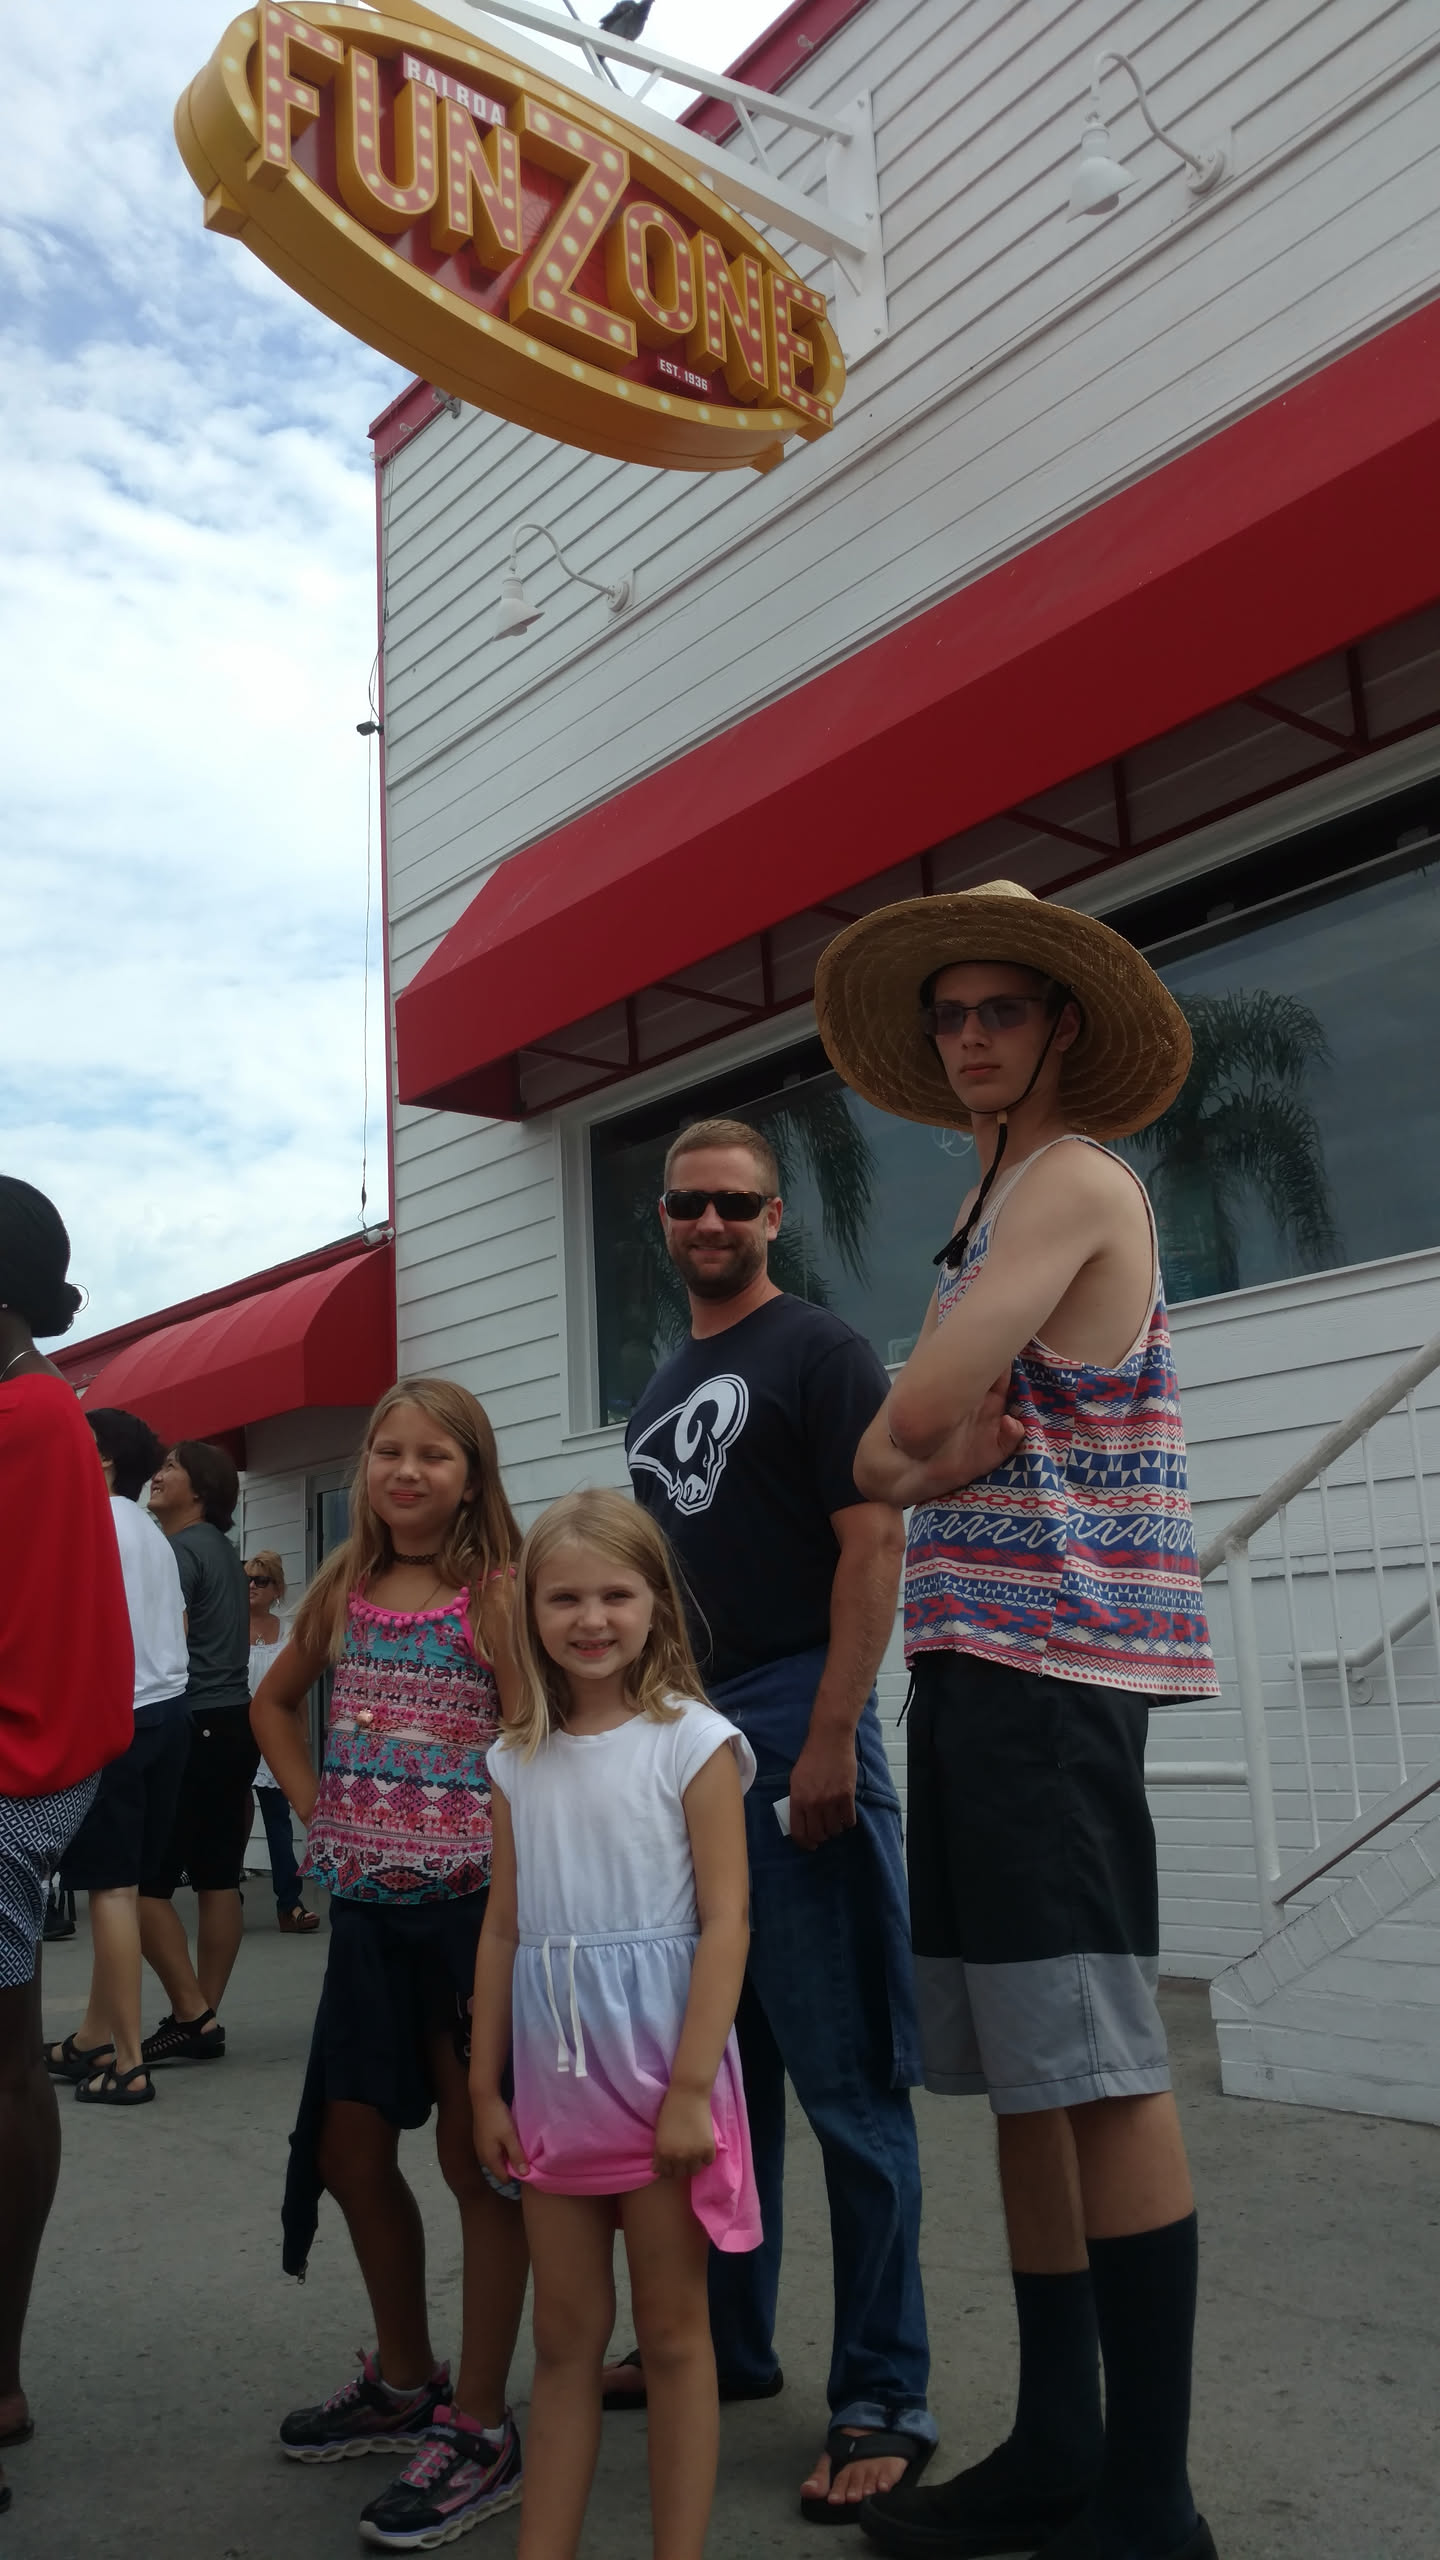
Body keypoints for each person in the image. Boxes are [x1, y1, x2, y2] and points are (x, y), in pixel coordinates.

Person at [813, 880, 1220, 2560]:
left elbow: (909, 1417)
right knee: (1031, 2077)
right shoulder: (979, 1221)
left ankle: (1151, 2501)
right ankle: (1059, 2448)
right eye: (951, 1015)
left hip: (1056, 1668)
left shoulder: (1071, 1181)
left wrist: (915, 1450)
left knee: (1101, 2068)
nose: (970, 1037)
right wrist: (910, 1453)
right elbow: (882, 1457)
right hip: (976, 1664)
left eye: (1001, 1010)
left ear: (1062, 1025)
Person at [612, 1116, 938, 2520]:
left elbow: (874, 1540)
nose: (712, 1223)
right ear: (663, 1217)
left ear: (775, 1217)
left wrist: (830, 1734)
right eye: (690, 1202)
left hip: (799, 1712)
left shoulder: (820, 1350)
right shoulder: (660, 1389)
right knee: (722, 2081)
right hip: (691, 1737)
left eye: (737, 1204)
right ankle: (729, 2346)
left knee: (849, 2087)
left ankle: (884, 2395)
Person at [251, 1379, 530, 2554]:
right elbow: (274, 1705)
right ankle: (408, 2378)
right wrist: (321, 1811)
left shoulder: (498, 1596)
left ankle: (481, 2425)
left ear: (472, 1477)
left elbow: (536, 1741)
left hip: (471, 1921)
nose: (405, 1471)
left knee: (478, 2164)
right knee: (349, 2151)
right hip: (367, 1919)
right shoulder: (342, 1587)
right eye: (386, 1452)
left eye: (433, 1455)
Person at [472, 1487, 757, 2560]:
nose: (591, 1619)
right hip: (554, 2086)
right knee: (564, 2340)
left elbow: (727, 1921)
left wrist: (689, 2090)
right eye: (564, 1598)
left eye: (615, 1595)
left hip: (662, 2075)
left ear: (655, 1604)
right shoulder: (513, 1760)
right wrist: (484, 2085)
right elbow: (504, 1927)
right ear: (530, 1613)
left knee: (674, 2335)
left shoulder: (694, 1742)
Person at [0, 1178, 134, 2515]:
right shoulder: (44, 1407)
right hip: (31, 1773)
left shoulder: (20, 1417)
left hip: (6, 1775)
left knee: (2, 2068)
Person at [48, 1408, 190, 2106]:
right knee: (124, 1890)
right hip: (170, 1710)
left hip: (117, 1715)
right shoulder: (150, 1530)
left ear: (102, 1459)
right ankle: (93, 2037)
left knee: (108, 1889)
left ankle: (128, 2063)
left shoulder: (91, 1522)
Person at [138, 1440, 255, 2062]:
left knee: (140, 1886)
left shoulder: (179, 1550)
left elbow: (166, 1638)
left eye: (171, 1468)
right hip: (234, 1722)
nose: (158, 1476)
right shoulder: (223, 1553)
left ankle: (193, 2014)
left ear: (201, 1489)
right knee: (217, 1878)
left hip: (192, 1723)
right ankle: (202, 2013)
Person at [245, 1552, 316, 1935]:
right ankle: (226, 1899)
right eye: (246, 1580)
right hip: (235, 1735)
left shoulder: (289, 1632)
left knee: (277, 1822)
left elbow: (297, 1692)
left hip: (275, 1736)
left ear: (276, 1589)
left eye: (261, 1580)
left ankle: (289, 1904)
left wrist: (301, 1735)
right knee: (230, 1821)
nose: (252, 1586)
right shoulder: (227, 1628)